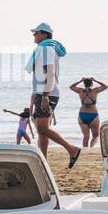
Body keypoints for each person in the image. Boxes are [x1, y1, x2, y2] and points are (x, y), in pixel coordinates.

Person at [27, 22, 81, 167]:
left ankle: (72, 149)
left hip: (47, 92)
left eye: (36, 32)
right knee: (42, 130)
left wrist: (44, 96)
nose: (34, 35)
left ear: (44, 34)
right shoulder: (44, 49)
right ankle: (43, 161)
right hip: (43, 92)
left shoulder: (46, 50)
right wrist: (35, 99)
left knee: (42, 128)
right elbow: (40, 76)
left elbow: (49, 73)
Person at [70, 76, 108, 148]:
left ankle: (85, 150)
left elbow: (71, 87)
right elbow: (105, 86)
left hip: (82, 115)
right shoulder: (95, 91)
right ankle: (91, 147)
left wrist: (80, 81)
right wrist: (96, 80)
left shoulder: (80, 91)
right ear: (92, 84)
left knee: (86, 136)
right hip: (93, 115)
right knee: (96, 136)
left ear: (84, 84)